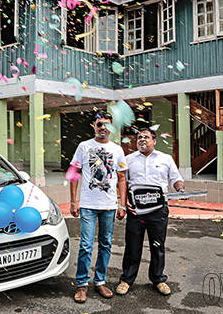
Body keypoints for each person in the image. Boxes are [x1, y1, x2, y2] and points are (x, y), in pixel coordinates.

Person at [116, 127, 184, 296]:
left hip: (158, 210)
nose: (142, 140)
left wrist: (180, 188)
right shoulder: (128, 159)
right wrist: (123, 203)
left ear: (154, 141)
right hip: (136, 210)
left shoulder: (166, 159)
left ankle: (158, 279)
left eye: (146, 137)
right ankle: (127, 279)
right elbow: (121, 182)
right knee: (132, 246)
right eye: (139, 137)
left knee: (157, 245)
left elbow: (176, 178)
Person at [70, 112, 128, 303]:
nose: (103, 127)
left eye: (107, 125)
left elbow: (121, 178)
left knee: (106, 244)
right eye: (99, 124)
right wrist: (73, 201)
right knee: (86, 246)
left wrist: (122, 204)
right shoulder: (84, 146)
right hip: (87, 205)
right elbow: (75, 172)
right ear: (93, 126)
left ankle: (100, 281)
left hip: (109, 206)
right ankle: (81, 284)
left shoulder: (117, 149)